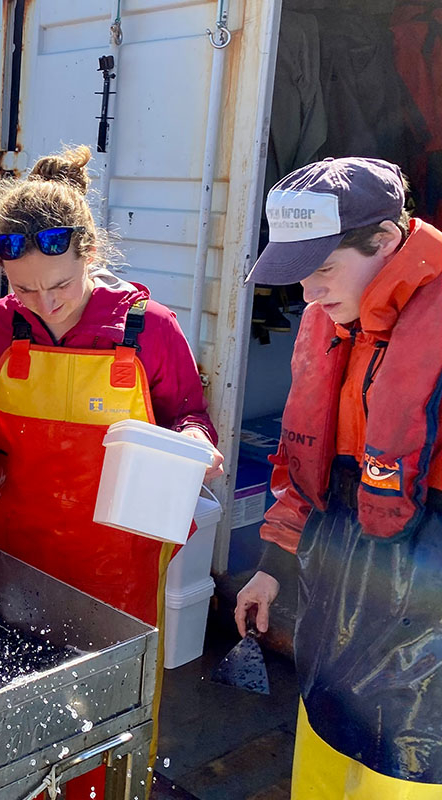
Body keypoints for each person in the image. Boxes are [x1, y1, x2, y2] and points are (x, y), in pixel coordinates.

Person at [0, 146, 222, 800]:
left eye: (60, 285)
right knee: (15, 723)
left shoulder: (150, 330)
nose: (46, 303)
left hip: (117, 572)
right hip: (15, 562)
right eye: (23, 289)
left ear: (90, 255)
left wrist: (193, 444)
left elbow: (193, 416)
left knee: (108, 724)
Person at [235, 156, 441, 797]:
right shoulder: (334, 321)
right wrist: (272, 563)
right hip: (334, 608)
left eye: (322, 269)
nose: (308, 294)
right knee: (320, 768)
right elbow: (305, 468)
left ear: (383, 241)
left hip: (426, 639)